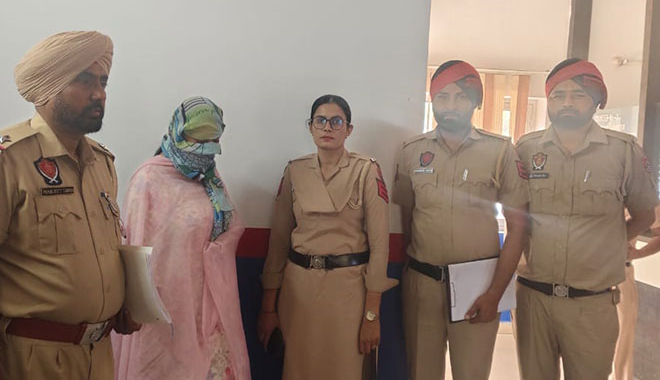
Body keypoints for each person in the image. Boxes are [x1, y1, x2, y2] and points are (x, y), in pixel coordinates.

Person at [0, 31, 140, 380]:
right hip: (28, 357)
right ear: (48, 86)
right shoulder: (3, 159)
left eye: (103, 81)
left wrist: (120, 302)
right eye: (84, 80)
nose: (99, 93)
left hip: (99, 354)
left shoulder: (102, 163)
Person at [515, 58, 658, 380]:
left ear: (596, 100)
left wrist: (607, 244)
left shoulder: (623, 151)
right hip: (533, 298)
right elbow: (517, 218)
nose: (567, 102)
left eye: (578, 94)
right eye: (558, 95)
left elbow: (644, 216)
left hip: (592, 304)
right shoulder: (526, 149)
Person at [393, 60, 529, 380]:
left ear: (475, 102)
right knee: (420, 373)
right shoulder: (412, 151)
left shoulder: (500, 151)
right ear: (432, 101)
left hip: (477, 286)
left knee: (472, 373)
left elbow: (518, 227)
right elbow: (408, 217)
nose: (450, 105)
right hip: (422, 284)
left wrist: (495, 293)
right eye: (442, 97)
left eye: (460, 97)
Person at [257, 94, 397, 379]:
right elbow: (278, 243)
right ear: (310, 127)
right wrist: (268, 308)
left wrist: (371, 315)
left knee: (344, 370)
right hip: (299, 289)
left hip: (348, 291)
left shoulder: (365, 170)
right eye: (320, 121)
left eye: (336, 121)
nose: (327, 127)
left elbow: (380, 246)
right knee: (299, 370)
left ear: (349, 129)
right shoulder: (295, 171)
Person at [111, 96, 251, 380]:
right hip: (162, 306)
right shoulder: (148, 179)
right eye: (198, 138)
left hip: (207, 305)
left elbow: (229, 227)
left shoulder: (210, 180)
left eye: (213, 140)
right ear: (178, 132)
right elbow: (135, 249)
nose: (205, 148)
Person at [613, 206, 660, 380]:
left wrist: (638, 253)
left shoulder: (641, 198)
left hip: (618, 278)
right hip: (580, 279)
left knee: (620, 348)